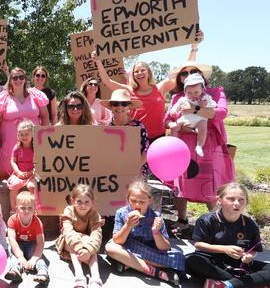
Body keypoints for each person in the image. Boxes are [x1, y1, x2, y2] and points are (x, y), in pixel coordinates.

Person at [165, 50, 235, 233]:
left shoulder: (213, 92)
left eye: (193, 71)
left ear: (201, 76)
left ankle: (217, 223)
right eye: (184, 73)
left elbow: (221, 113)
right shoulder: (177, 97)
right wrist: (177, 125)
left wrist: (195, 109)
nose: (188, 75)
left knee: (210, 181)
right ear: (180, 78)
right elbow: (167, 120)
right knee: (182, 181)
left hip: (208, 143)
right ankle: (182, 220)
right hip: (183, 142)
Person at [93, 31, 204, 143]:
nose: (139, 73)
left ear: (149, 72)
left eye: (142, 70)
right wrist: (98, 62)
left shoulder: (161, 87)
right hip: (136, 138)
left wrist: (194, 47)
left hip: (158, 138)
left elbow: (184, 70)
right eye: (136, 71)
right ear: (133, 75)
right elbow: (107, 81)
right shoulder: (129, 91)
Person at [186, 182, 270, 288]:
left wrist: (249, 256)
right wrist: (225, 249)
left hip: (237, 263)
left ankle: (228, 284)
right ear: (219, 200)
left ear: (246, 202)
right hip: (210, 260)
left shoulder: (250, 224)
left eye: (241, 200)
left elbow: (253, 249)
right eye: (231, 199)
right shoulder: (206, 220)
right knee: (192, 260)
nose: (236, 203)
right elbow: (198, 244)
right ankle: (254, 284)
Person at [105, 180, 184, 285]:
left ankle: (128, 263)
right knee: (110, 248)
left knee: (179, 258)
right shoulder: (121, 213)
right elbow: (117, 241)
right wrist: (127, 226)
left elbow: (164, 247)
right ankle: (155, 271)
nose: (137, 205)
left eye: (142, 202)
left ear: (149, 201)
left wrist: (156, 232)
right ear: (128, 199)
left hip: (149, 251)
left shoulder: (156, 216)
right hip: (127, 248)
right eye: (133, 201)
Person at [0, 67, 49, 178]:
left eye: (21, 77)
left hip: (34, 143)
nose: (18, 80)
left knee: (34, 175)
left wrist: (45, 138)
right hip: (10, 145)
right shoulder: (3, 97)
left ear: (25, 79)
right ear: (10, 80)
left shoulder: (36, 95)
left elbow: (45, 116)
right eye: (15, 77)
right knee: (9, 176)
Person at [55, 184, 104, 288]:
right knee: (74, 245)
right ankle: (79, 276)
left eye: (87, 202)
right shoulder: (69, 211)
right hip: (68, 241)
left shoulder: (95, 215)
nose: (83, 205)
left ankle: (95, 278)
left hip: (85, 241)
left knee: (90, 243)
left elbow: (97, 234)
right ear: (73, 201)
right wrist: (79, 247)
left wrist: (88, 250)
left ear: (92, 202)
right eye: (79, 202)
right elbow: (68, 232)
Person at [4, 191, 49, 284]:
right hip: (18, 243)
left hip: (32, 243)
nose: (26, 211)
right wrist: (20, 256)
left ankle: (42, 272)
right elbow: (11, 239)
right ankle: (15, 270)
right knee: (14, 257)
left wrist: (34, 258)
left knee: (38, 257)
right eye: (23, 208)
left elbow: (40, 242)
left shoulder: (37, 222)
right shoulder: (12, 220)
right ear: (17, 208)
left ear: (34, 209)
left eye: (30, 208)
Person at [169, 73, 216, 157]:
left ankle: (199, 146)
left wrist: (205, 105)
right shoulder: (183, 99)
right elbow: (176, 106)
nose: (193, 95)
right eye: (189, 93)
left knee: (202, 128)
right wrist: (174, 111)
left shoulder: (205, 98)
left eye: (196, 92)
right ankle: (173, 145)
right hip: (186, 119)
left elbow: (214, 105)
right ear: (185, 91)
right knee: (175, 127)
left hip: (199, 120)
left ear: (202, 90)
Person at [101, 89, 149, 170]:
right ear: (111, 107)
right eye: (115, 104)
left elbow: (146, 151)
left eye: (124, 104)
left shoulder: (139, 126)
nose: (119, 107)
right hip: (113, 170)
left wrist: (133, 168)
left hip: (137, 168)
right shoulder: (107, 128)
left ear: (128, 107)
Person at [7, 120, 37, 210]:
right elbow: (13, 161)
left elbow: (39, 163)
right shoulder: (17, 148)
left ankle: (34, 209)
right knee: (14, 186)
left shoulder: (36, 148)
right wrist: (18, 172)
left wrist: (31, 172)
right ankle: (14, 209)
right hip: (19, 173)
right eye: (21, 134)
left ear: (32, 134)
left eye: (27, 134)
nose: (24, 137)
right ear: (18, 135)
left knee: (32, 187)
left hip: (34, 174)